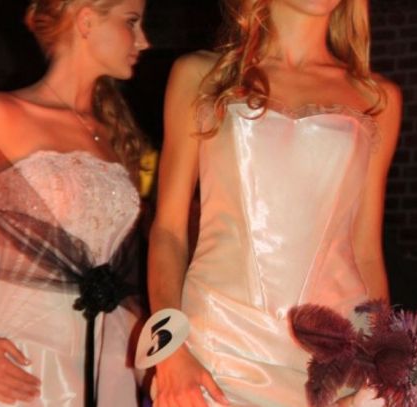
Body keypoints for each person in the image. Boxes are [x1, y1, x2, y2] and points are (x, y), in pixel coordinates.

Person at [147, 0, 401, 406]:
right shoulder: (201, 76)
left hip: (334, 360)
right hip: (218, 349)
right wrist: (168, 346)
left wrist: (383, 366)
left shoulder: (377, 98)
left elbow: (366, 250)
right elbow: (169, 231)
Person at [0, 0, 149, 405]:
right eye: (132, 22)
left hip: (111, 360)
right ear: (87, 21)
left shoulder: (109, 133)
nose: (143, 41)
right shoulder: (0, 114)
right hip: (22, 358)